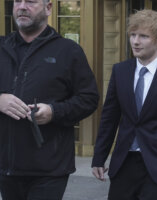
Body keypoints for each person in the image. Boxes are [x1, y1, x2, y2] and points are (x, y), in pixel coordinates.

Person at [92, 9, 157, 200]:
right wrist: (98, 158)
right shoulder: (120, 71)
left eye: (143, 36)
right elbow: (109, 118)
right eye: (133, 35)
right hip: (123, 162)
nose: (135, 41)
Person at [0, 0, 99, 199]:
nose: (22, 6)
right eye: (17, 1)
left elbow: (89, 99)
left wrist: (54, 111)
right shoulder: (1, 47)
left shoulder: (68, 51)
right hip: (5, 167)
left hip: (49, 168)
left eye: (31, 2)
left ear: (49, 8)